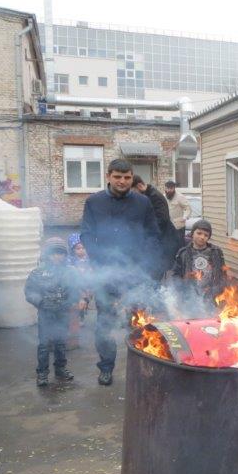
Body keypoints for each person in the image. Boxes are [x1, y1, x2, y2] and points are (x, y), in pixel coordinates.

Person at [81, 158, 160, 386]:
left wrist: (145, 262)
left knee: (140, 322)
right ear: (108, 176)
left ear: (131, 177)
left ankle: (143, 368)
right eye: (117, 176)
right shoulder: (93, 202)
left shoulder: (142, 203)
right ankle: (106, 367)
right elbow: (86, 234)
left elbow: (153, 234)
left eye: (127, 177)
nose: (122, 181)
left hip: (135, 274)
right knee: (105, 323)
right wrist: (101, 261)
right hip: (106, 276)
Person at [25, 238, 78, 387]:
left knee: (61, 342)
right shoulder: (38, 273)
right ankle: (42, 373)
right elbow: (29, 291)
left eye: (60, 253)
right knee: (44, 344)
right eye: (53, 253)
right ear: (47, 254)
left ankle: (60, 369)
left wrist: (70, 301)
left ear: (65, 255)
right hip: (45, 313)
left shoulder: (70, 272)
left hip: (62, 312)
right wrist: (41, 302)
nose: (57, 257)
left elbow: (75, 289)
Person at [172, 219, 227, 317]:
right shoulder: (183, 253)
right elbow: (175, 276)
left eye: (206, 235)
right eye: (199, 233)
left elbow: (223, 275)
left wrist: (215, 290)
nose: (202, 237)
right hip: (190, 297)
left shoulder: (216, 252)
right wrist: (183, 287)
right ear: (192, 233)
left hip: (211, 297)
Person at [133, 174, 178, 277]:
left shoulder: (154, 196)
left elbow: (162, 219)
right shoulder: (147, 195)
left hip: (163, 241)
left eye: (132, 191)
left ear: (139, 186)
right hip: (155, 242)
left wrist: (143, 230)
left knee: (156, 273)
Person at [66, 233, 92, 350]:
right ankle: (79, 317)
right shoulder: (70, 260)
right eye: (78, 248)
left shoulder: (89, 259)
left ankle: (82, 314)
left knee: (85, 300)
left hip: (87, 285)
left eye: (83, 248)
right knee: (78, 302)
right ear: (73, 250)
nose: (81, 251)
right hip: (77, 285)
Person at [165, 180, 191, 247]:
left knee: (179, 245)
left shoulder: (180, 197)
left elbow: (187, 208)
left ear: (174, 188)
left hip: (178, 226)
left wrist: (184, 217)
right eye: (167, 188)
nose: (169, 190)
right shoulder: (164, 197)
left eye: (171, 188)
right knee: (169, 245)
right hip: (168, 226)